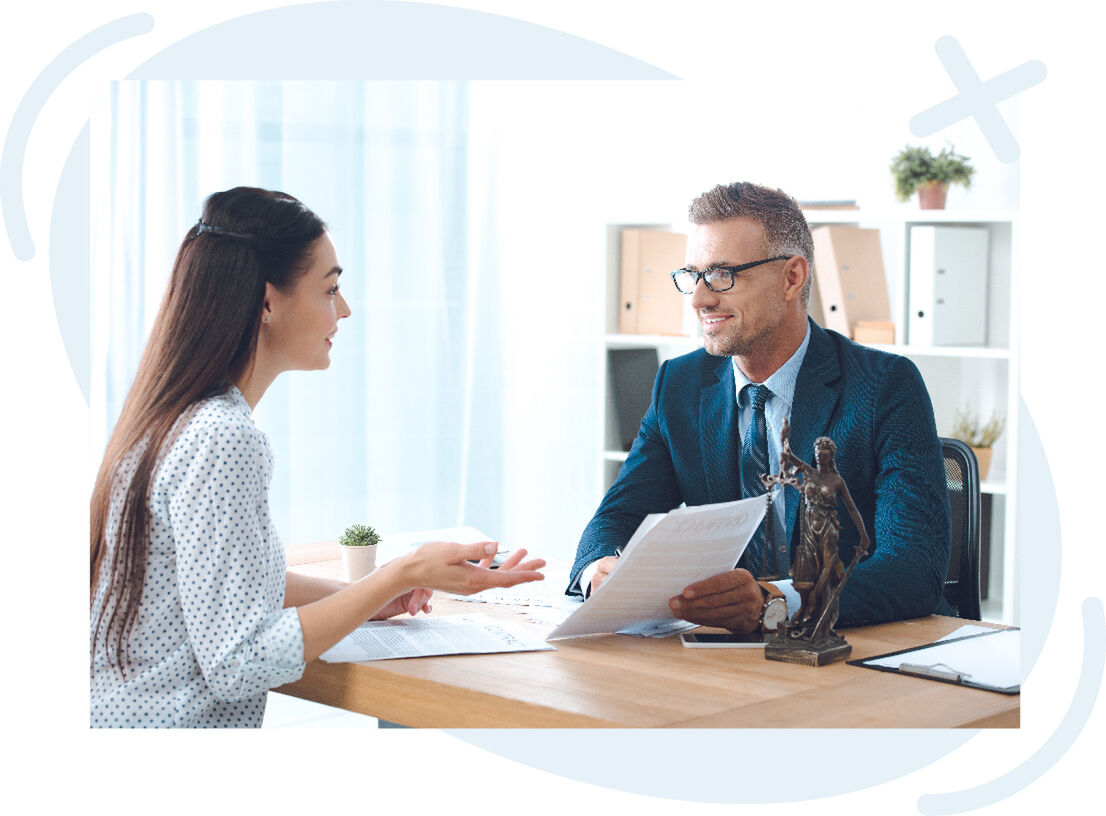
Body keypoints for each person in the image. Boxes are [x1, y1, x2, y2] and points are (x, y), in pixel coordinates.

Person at [90, 187, 545, 728]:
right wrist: (396, 574)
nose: (345, 310)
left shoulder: (173, 414)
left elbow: (226, 584)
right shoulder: (223, 437)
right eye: (331, 289)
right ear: (266, 302)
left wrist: (376, 593)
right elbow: (238, 663)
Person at [567, 181, 950, 634]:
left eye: (723, 275)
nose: (700, 299)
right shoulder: (680, 385)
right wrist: (600, 572)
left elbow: (913, 568)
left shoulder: (885, 386)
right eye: (693, 276)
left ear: (792, 277)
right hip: (728, 656)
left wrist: (778, 601)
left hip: (853, 647)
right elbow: (617, 519)